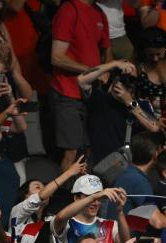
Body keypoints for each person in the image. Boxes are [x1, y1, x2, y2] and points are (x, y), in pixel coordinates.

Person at [49, 0, 111, 171]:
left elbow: (107, 50)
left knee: (89, 151)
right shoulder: (69, 9)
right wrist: (94, 70)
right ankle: (64, 195)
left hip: (92, 94)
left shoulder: (99, 12)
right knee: (71, 152)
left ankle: (87, 194)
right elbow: (57, 57)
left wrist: (107, 69)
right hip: (67, 92)